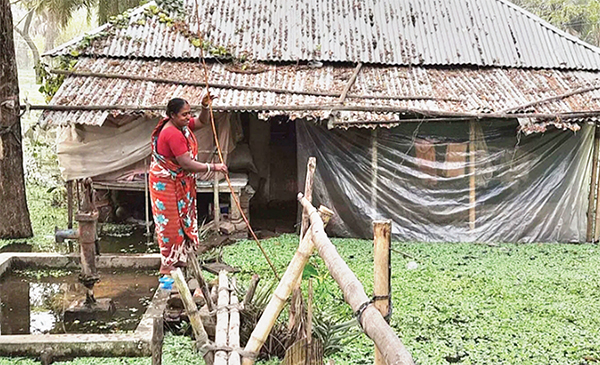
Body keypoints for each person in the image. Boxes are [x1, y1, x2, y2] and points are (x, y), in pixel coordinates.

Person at [149, 92, 227, 274]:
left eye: (189, 113)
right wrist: (213, 167)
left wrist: (205, 107)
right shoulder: (171, 133)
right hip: (166, 182)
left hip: (178, 179)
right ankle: (168, 266)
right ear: (172, 115)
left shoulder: (182, 126)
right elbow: (186, 164)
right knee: (171, 224)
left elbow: (201, 122)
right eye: (184, 114)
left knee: (180, 220)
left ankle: (181, 259)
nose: (188, 117)